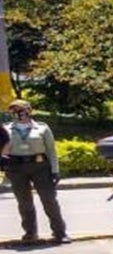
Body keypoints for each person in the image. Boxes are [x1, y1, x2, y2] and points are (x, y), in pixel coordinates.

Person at [2, 99, 69, 244]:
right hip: (17, 168)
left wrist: (55, 171)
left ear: (29, 110)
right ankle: (30, 233)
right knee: (24, 203)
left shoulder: (42, 128)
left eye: (22, 109)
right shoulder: (6, 129)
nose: (19, 113)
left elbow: (51, 150)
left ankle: (60, 233)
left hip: (40, 167)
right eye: (14, 111)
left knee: (49, 200)